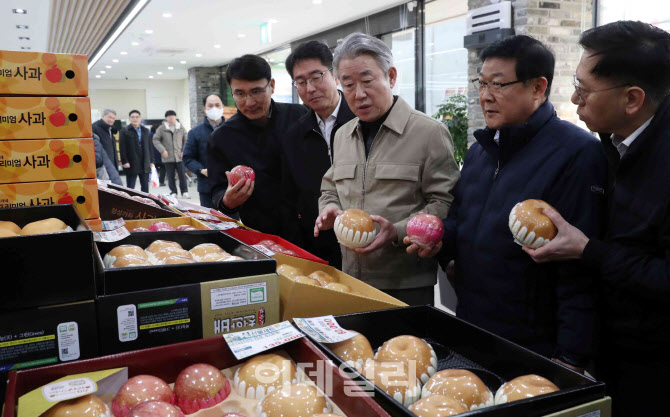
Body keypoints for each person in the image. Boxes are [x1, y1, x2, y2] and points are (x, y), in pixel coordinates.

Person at [409, 35, 608, 370]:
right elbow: (463, 219)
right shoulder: (481, 151)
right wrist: (441, 241)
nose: (485, 95)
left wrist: (570, 356)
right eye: (481, 83)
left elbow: (580, 267)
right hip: (471, 326)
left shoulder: (577, 153)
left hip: (534, 344)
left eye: (499, 85)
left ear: (538, 88)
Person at [523, 22, 670, 417]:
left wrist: (588, 250)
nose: (573, 99)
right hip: (604, 345)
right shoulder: (607, 145)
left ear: (632, 99)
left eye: (584, 91)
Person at [315, 33, 460, 305]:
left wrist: (398, 231)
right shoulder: (343, 134)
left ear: (391, 77)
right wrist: (329, 208)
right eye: (348, 85)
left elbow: (445, 200)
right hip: (351, 279)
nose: (358, 94)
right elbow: (330, 186)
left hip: (405, 283)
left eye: (367, 81)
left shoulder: (429, 132)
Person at [208, 54, 308, 234]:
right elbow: (217, 192)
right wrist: (227, 201)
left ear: (272, 86)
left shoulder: (300, 117)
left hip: (312, 228)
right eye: (239, 93)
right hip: (262, 234)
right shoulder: (221, 138)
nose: (249, 102)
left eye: (256, 91)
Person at [281, 41, 356, 268]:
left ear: (335, 75)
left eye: (316, 77)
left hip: (362, 237)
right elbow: (291, 195)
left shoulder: (360, 119)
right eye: (301, 82)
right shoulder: (295, 134)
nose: (310, 88)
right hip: (317, 242)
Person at [184, 93, 226, 208]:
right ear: (204, 108)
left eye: (218, 105)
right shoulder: (195, 133)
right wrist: (201, 170)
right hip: (207, 187)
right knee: (210, 223)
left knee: (232, 223)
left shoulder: (232, 129)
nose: (214, 109)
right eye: (210, 106)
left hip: (230, 187)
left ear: (222, 106)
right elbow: (188, 158)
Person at [153, 110, 190, 198]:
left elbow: (186, 140)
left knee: (182, 175)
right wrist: (162, 150)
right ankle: (173, 192)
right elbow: (155, 139)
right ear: (166, 118)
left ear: (175, 117)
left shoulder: (180, 127)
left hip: (179, 156)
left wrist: (184, 151)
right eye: (169, 117)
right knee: (170, 176)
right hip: (167, 156)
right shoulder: (161, 128)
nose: (171, 118)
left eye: (173, 116)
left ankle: (184, 191)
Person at [119, 110, 154, 192]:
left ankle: (144, 203)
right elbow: (122, 148)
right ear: (129, 119)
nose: (135, 119)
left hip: (144, 162)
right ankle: (130, 203)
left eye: (137, 117)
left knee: (145, 187)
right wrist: (124, 161)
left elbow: (150, 146)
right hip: (131, 162)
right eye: (133, 117)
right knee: (130, 187)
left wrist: (152, 160)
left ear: (140, 118)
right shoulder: (125, 131)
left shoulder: (146, 131)